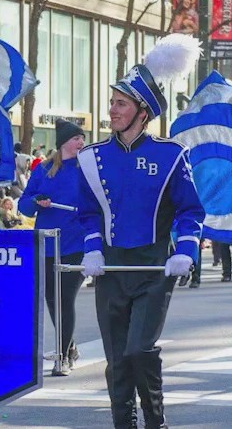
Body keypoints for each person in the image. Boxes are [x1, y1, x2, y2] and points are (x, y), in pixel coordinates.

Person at [77, 60, 205, 429]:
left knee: (139, 350)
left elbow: (191, 209)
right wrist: (92, 248)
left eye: (121, 103)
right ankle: (124, 422)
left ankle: (155, 420)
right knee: (117, 358)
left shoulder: (171, 155)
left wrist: (186, 250)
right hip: (111, 269)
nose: (112, 110)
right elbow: (87, 212)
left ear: (142, 112)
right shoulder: (91, 157)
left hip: (153, 268)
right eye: (112, 102)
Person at [18, 119, 87, 376]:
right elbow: (24, 204)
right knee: (52, 299)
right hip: (48, 244)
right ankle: (69, 346)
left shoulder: (87, 168)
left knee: (64, 298)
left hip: (77, 242)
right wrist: (37, 201)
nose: (81, 142)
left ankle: (62, 356)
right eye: (76, 138)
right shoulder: (44, 169)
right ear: (63, 143)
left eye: (82, 138)